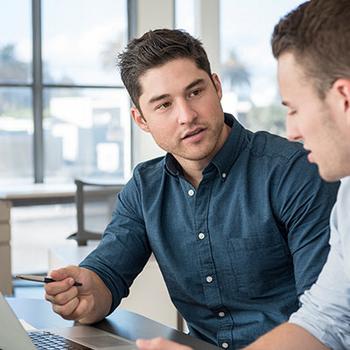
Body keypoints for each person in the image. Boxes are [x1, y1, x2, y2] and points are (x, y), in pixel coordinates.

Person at [44, 28, 339, 349]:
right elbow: (107, 275)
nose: (187, 116)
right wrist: (87, 294)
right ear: (141, 120)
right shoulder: (145, 188)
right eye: (163, 105)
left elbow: (327, 320)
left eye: (195, 92)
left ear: (217, 87)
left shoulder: (294, 171)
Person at [135, 0, 350, 349]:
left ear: (343, 98)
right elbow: (326, 321)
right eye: (164, 104)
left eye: (294, 109)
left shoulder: (294, 170)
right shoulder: (348, 197)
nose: (292, 130)